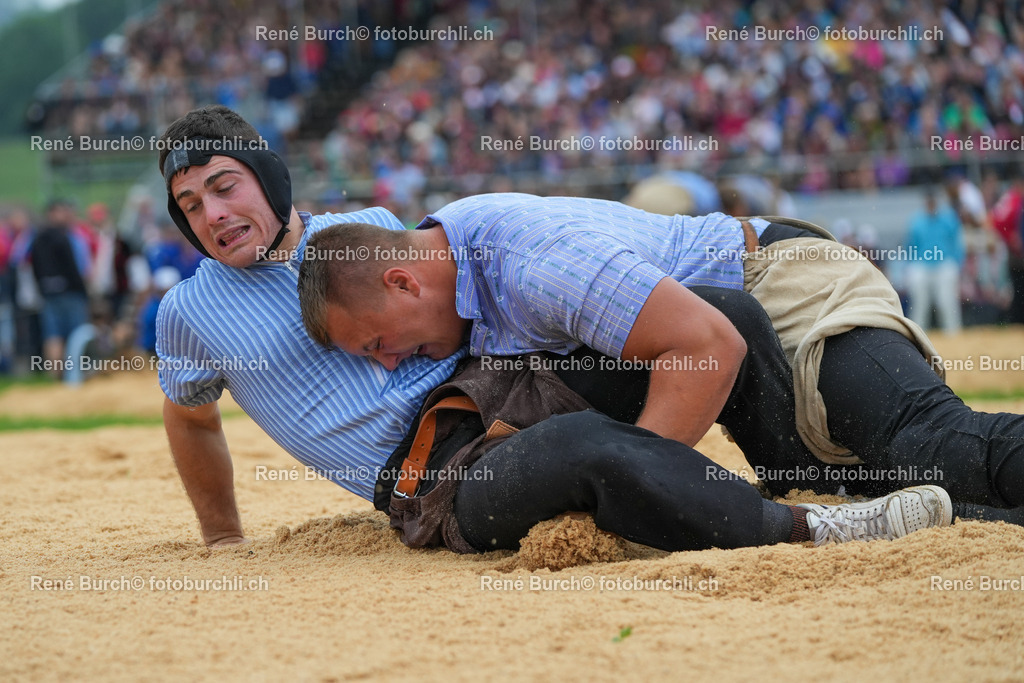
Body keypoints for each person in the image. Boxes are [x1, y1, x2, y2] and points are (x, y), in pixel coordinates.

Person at [156, 104, 953, 554]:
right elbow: (190, 417)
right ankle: (807, 529)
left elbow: (455, 308)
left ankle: (803, 481)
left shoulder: (365, 229)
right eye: (191, 207)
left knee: (724, 316)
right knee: (582, 446)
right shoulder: (190, 312)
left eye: (225, 187)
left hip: (505, 388)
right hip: (434, 475)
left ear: (268, 178)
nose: (213, 215)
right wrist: (223, 538)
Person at [297, 192, 1024, 525]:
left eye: (375, 344)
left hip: (779, 282)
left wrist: (636, 489)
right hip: (733, 321)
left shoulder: (526, 261)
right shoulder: (459, 268)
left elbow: (709, 343)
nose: (387, 365)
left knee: (926, 447)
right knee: (851, 484)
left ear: (403, 282)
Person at [27, 199, 92, 377]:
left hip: (48, 291)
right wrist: (83, 290)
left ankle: (54, 376)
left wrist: (42, 286)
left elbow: (34, 266)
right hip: (70, 292)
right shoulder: (63, 237)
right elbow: (71, 267)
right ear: (52, 214)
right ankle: (74, 375)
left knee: (53, 335)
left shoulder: (37, 238)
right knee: (76, 334)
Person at [904, 190, 964, 334]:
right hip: (922, 264)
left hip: (944, 263)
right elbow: (910, 245)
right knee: (919, 303)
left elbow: (957, 242)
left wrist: (957, 262)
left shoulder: (948, 218)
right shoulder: (916, 221)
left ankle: (953, 333)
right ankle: (917, 334)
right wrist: (910, 265)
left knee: (946, 301)